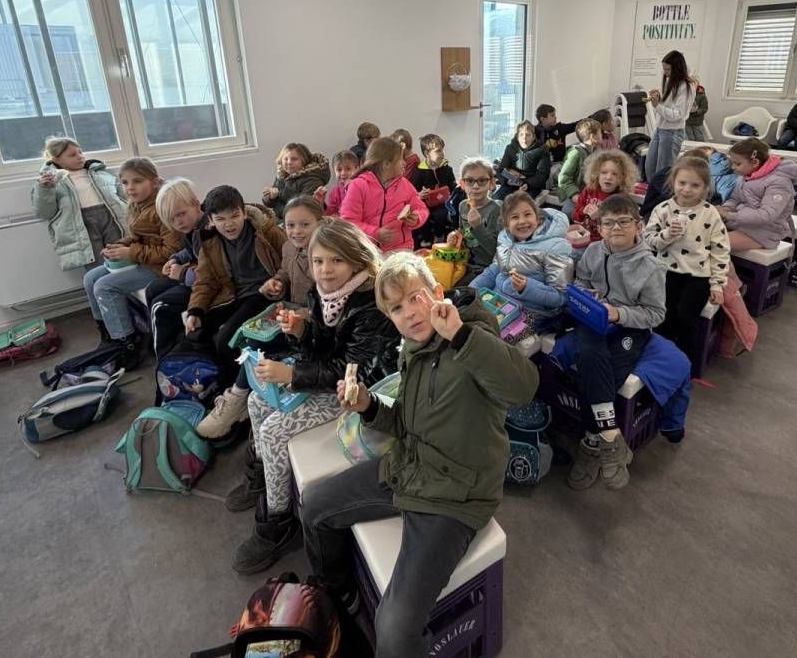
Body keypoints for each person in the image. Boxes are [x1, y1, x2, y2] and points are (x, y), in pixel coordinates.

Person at [299, 252, 538, 658]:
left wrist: (459, 334)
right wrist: (368, 405)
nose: (409, 313)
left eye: (415, 298)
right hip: (409, 467)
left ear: (437, 293)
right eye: (396, 308)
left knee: (394, 628)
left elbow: (522, 386)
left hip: (455, 496)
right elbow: (408, 422)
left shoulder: (471, 336)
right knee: (315, 505)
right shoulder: (412, 347)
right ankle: (340, 597)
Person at [197, 219, 401, 573]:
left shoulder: (370, 305)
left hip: (357, 396)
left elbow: (351, 372)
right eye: (318, 261)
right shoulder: (323, 294)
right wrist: (302, 332)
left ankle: (278, 523)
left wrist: (292, 374)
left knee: (273, 431)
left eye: (336, 260)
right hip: (328, 381)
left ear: (357, 261)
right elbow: (322, 350)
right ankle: (263, 475)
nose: (325, 270)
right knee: (256, 400)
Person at [568, 194, 667, 491]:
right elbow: (582, 281)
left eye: (624, 221)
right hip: (593, 318)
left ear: (638, 225)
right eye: (608, 223)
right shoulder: (593, 251)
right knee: (587, 353)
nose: (615, 228)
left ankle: (591, 442)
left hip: (629, 326)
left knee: (606, 373)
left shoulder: (651, 267)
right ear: (600, 227)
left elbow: (655, 314)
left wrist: (619, 313)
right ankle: (611, 436)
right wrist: (587, 295)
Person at [183, 185, 287, 383]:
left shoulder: (266, 231)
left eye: (234, 216)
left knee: (225, 340)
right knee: (195, 332)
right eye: (220, 219)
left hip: (262, 295)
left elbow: (288, 262)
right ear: (211, 220)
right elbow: (205, 281)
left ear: (244, 213)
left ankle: (234, 388)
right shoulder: (210, 241)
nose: (229, 224)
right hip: (231, 295)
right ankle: (208, 380)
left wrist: (278, 282)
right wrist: (195, 310)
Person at [81, 158, 180, 356]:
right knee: (90, 278)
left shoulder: (163, 207)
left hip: (159, 267)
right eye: (125, 182)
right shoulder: (136, 204)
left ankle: (127, 343)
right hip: (142, 259)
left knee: (105, 286)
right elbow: (139, 237)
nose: (130, 188)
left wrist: (131, 252)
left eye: (138, 181)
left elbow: (171, 251)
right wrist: (122, 244)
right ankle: (108, 335)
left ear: (154, 181)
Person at [643, 157, 731, 370]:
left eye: (695, 185)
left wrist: (717, 284)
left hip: (697, 276)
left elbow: (720, 250)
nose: (687, 189)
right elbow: (649, 240)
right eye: (682, 183)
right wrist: (667, 235)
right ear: (673, 182)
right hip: (666, 272)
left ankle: (683, 366)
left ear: (705, 187)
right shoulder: (662, 209)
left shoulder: (710, 213)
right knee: (663, 316)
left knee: (686, 317)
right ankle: (660, 361)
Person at [471, 193, 573, 319]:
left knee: (487, 330)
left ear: (537, 217)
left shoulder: (555, 248)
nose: (522, 221)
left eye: (527, 214)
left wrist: (526, 287)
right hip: (499, 301)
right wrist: (472, 290)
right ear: (506, 224)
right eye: (514, 217)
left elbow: (561, 297)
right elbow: (495, 269)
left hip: (531, 313)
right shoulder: (504, 238)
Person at [32, 136, 126, 271]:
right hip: (82, 224)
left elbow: (122, 197)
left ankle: (121, 280)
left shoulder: (99, 172)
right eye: (72, 155)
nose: (80, 157)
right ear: (56, 160)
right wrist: (45, 189)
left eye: (80, 152)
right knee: (96, 263)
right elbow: (45, 213)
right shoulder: (52, 181)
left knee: (119, 256)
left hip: (110, 218)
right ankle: (99, 281)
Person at [146, 178, 206, 357]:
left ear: (196, 205)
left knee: (160, 305)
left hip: (205, 288)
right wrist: (176, 259)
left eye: (181, 214)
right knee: (153, 289)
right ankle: (169, 339)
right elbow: (189, 250)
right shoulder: (191, 228)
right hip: (194, 278)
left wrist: (182, 274)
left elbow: (211, 274)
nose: (178, 222)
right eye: (172, 219)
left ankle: (166, 358)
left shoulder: (207, 232)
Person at [340, 137, 429, 253]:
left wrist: (417, 218)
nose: (404, 163)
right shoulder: (358, 185)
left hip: (401, 248)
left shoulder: (405, 184)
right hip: (367, 250)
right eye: (400, 159)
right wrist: (374, 233)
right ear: (386, 164)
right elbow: (348, 223)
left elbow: (421, 208)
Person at [718, 138, 797, 252]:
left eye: (737, 163)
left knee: (714, 244)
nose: (733, 167)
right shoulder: (746, 175)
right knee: (700, 235)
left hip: (764, 233)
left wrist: (729, 215)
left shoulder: (779, 182)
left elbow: (766, 215)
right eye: (732, 163)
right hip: (741, 224)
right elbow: (735, 199)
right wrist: (725, 209)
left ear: (755, 162)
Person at [260, 195, 323, 310]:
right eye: (291, 225)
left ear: (319, 224)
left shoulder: (327, 253)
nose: (297, 231)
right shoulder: (288, 247)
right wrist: (278, 282)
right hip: (294, 309)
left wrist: (308, 314)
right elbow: (285, 272)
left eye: (305, 224)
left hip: (320, 314)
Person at [642, 50, 695, 179]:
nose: (665, 72)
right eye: (664, 69)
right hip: (660, 129)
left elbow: (677, 115)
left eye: (668, 69)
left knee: (663, 173)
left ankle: (661, 192)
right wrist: (659, 99)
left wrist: (657, 105)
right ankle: (653, 191)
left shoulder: (686, 86)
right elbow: (668, 106)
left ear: (677, 69)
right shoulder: (670, 82)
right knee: (650, 168)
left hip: (673, 132)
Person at [571, 148, 638, 241]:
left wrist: (599, 216)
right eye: (604, 172)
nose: (608, 177)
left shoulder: (622, 199)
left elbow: (619, 227)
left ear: (622, 178)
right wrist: (583, 211)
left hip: (606, 241)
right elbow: (574, 215)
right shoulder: (589, 190)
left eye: (614, 174)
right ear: (596, 174)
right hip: (584, 237)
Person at [455, 157, 502, 285]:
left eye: (482, 180)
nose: (475, 186)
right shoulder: (463, 206)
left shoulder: (496, 210)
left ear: (491, 183)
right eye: (470, 181)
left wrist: (478, 226)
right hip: (464, 262)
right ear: (462, 183)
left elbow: (495, 251)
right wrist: (455, 237)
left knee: (461, 292)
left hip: (486, 268)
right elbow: (462, 232)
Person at [408, 133, 457, 247]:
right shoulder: (419, 171)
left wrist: (454, 191)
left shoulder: (446, 168)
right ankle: (426, 240)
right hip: (426, 204)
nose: (442, 153)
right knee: (423, 215)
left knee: (442, 214)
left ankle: (439, 236)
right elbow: (412, 192)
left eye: (442, 150)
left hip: (443, 203)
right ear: (426, 153)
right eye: (438, 151)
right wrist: (419, 195)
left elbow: (453, 186)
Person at [262, 142, 330, 220]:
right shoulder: (282, 175)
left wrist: (276, 207)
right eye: (285, 159)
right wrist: (269, 198)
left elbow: (301, 210)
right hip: (283, 218)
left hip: (301, 221)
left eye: (294, 159)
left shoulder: (312, 180)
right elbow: (272, 203)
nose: (289, 162)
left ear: (304, 161)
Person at [553, 118, 603, 214]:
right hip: (570, 192)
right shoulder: (575, 153)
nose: (602, 135)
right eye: (600, 132)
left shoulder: (595, 151)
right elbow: (564, 177)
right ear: (593, 136)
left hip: (587, 192)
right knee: (570, 212)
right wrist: (574, 195)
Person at [495, 121, 552, 199]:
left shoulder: (542, 150)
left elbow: (543, 174)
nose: (524, 138)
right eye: (521, 134)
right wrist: (506, 181)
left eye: (528, 135)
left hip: (531, 185)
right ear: (517, 136)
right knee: (496, 199)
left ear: (533, 137)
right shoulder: (510, 148)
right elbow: (501, 169)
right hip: (511, 184)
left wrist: (527, 184)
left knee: (521, 202)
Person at [318, 149, 359, 218]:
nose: (343, 173)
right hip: (342, 222)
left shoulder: (360, 187)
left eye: (348, 169)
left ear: (357, 169)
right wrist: (321, 202)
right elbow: (330, 213)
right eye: (339, 170)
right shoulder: (334, 191)